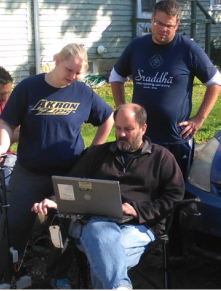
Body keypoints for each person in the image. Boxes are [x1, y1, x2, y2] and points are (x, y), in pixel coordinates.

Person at [32, 104, 185, 291]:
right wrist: (54, 199)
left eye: (128, 129)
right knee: (102, 238)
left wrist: (138, 210)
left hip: (138, 225)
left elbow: (174, 195)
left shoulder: (161, 157)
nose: (121, 134)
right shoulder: (98, 154)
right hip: (94, 223)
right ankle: (120, 286)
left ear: (143, 129)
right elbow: (70, 183)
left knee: (103, 256)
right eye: (118, 128)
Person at [0, 44, 114, 290]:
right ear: (56, 60)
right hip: (28, 172)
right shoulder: (29, 88)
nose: (73, 76)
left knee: (63, 229)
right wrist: (3, 144)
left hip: (68, 174)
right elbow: (7, 123)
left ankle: (57, 275)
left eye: (78, 73)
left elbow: (107, 118)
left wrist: (93, 152)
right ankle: (8, 275)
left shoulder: (82, 92)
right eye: (69, 69)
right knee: (13, 226)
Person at [110, 0, 221, 178]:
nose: (163, 29)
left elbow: (215, 81)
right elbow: (116, 77)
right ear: (152, 20)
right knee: (140, 185)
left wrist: (199, 118)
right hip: (141, 136)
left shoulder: (188, 49)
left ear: (177, 24)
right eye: (159, 23)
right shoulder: (137, 46)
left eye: (169, 25)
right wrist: (121, 110)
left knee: (176, 190)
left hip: (176, 137)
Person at [0, 67, 19, 191]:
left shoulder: (7, 106)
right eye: (1, 94)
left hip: (6, 158)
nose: (5, 99)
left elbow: (18, 131)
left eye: (8, 93)